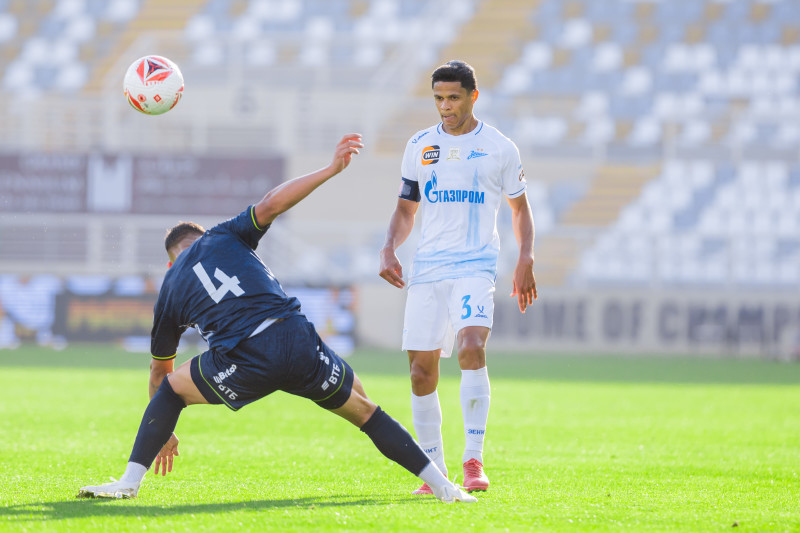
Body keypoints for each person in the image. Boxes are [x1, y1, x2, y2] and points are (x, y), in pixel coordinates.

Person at [78, 134, 476, 504]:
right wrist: (330, 169)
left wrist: (162, 429)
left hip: (245, 357)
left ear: (171, 261)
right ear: (200, 237)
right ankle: (444, 486)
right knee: (366, 410)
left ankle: (128, 482)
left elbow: (159, 373)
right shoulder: (223, 235)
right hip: (296, 339)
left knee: (170, 392)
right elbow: (271, 204)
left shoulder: (170, 286)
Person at [379, 61, 537, 495]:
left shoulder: (499, 147)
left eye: (453, 98)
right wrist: (389, 247)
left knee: (471, 346)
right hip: (428, 268)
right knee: (419, 372)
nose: (445, 107)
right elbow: (406, 209)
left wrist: (526, 256)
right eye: (438, 98)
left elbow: (520, 209)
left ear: (473, 96)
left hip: (475, 264)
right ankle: (434, 471)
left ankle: (473, 460)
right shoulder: (420, 145)